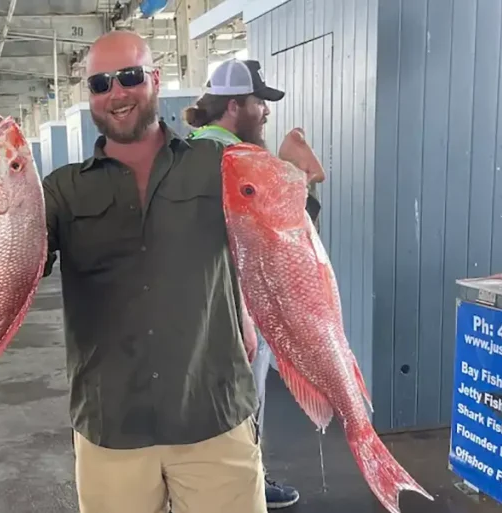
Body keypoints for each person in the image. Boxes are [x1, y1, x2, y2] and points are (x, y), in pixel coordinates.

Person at [42, 30, 267, 513]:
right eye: (101, 83)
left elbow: (276, 241)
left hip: (213, 416)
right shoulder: (61, 191)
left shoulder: (219, 164)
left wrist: (297, 176)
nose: (116, 93)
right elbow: (18, 266)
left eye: (129, 76)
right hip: (111, 426)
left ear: (156, 80)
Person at [184, 58, 326, 510]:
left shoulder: (192, 150)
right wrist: (306, 183)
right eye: (259, 102)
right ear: (234, 106)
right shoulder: (237, 158)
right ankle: (250, 483)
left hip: (208, 302)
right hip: (243, 303)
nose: (266, 111)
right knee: (247, 401)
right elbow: (282, 239)